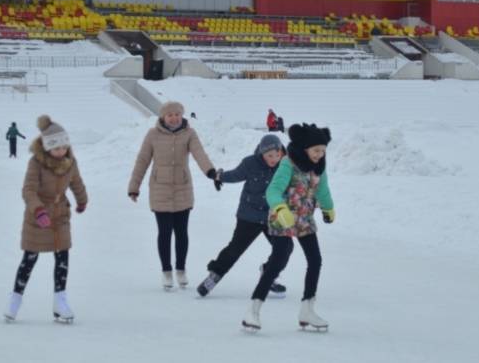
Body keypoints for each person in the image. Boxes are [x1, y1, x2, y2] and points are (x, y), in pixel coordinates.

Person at [242, 123, 335, 331]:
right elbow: (273, 191)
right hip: (282, 217)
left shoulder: (319, 166)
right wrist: (281, 208)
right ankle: (253, 310)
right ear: (305, 148)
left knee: (315, 260)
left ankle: (307, 310)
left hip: (304, 219)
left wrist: (329, 208)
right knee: (276, 263)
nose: (320, 155)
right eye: (316, 150)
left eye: (323, 151)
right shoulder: (288, 163)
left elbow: (323, 190)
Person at [4, 115, 88, 323]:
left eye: (64, 147)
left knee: (62, 257)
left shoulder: (70, 161)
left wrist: (82, 200)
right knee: (29, 259)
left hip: (60, 215)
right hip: (38, 216)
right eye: (56, 148)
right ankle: (15, 299)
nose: (61, 152)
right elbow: (28, 190)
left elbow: (76, 182)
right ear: (46, 147)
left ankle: (60, 301)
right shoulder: (36, 164)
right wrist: (39, 210)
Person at [128, 101, 216, 291]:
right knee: (165, 232)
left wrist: (211, 172)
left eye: (177, 114)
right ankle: (166, 271)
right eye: (170, 115)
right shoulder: (153, 135)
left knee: (182, 232)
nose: (174, 117)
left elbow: (199, 154)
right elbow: (142, 160)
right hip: (160, 189)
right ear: (163, 117)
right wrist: (134, 187)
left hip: (183, 190)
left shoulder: (189, 134)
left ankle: (181, 269)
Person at [197, 135, 294, 298]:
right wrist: (219, 176)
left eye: (277, 155)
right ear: (261, 153)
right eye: (270, 155)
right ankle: (213, 277)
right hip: (249, 215)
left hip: (273, 216)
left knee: (285, 248)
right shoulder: (250, 163)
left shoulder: (284, 166)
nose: (274, 159)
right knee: (235, 249)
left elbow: (296, 185)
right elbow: (235, 175)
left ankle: (268, 275)